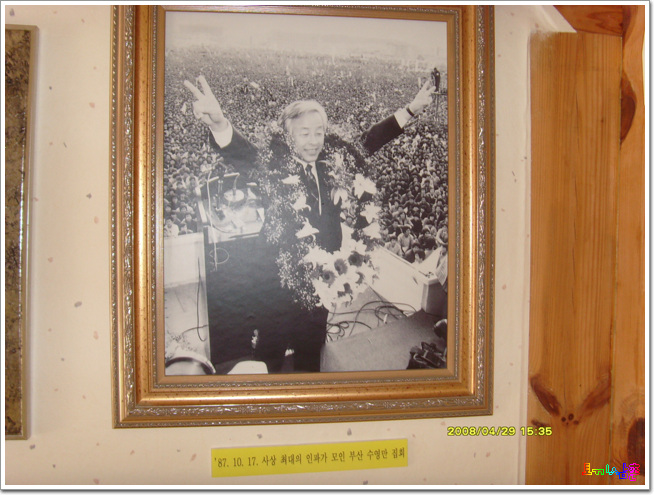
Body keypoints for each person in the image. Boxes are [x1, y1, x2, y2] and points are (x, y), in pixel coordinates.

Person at [184, 75, 436, 372]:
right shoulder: (272, 166)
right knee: (270, 352)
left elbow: (369, 140)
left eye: (319, 132)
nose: (314, 141)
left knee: (311, 350)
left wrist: (411, 109)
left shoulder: (334, 160)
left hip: (323, 281)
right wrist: (219, 123)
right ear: (288, 136)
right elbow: (244, 154)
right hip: (277, 283)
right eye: (304, 134)